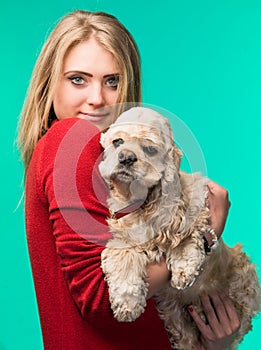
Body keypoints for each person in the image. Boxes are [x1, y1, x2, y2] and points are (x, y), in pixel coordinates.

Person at [18, 10, 240, 350]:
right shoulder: (70, 140)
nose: (97, 98)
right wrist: (206, 233)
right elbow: (105, 299)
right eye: (78, 79)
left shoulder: (114, 168)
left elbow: (146, 307)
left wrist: (213, 341)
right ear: (50, 84)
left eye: (112, 81)